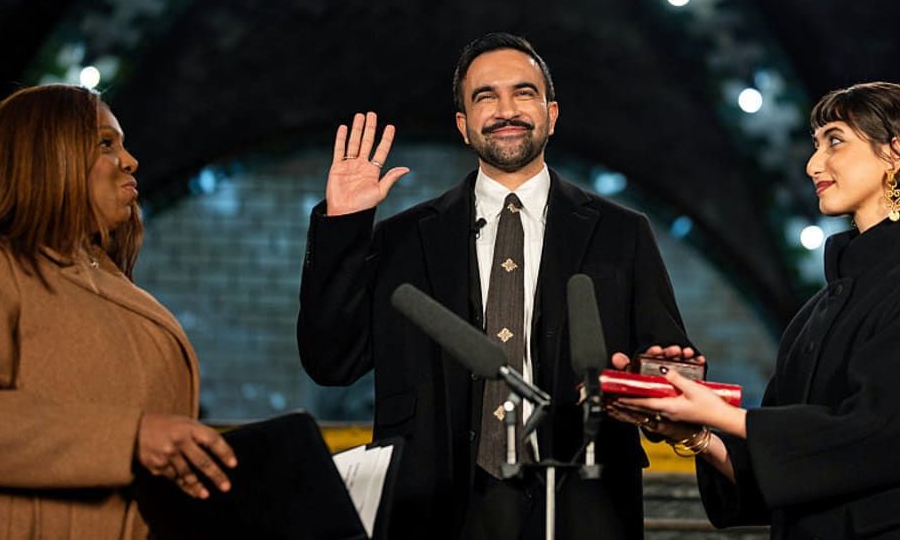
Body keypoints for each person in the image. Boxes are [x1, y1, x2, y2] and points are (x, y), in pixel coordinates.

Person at [297, 32, 698, 539]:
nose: (506, 109)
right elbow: (331, 360)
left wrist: (653, 378)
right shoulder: (402, 240)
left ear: (552, 113)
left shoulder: (623, 233)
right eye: (485, 96)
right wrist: (344, 227)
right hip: (435, 507)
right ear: (464, 126)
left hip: (582, 501)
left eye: (523, 92)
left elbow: (666, 362)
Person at [609, 81, 900, 539]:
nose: (813, 165)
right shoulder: (813, 315)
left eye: (835, 140)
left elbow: (887, 431)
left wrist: (723, 414)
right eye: (815, 145)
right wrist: (696, 431)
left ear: (895, 153)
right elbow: (783, 475)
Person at [0, 84, 237, 539]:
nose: (130, 160)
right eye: (105, 143)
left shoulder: (117, 289)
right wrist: (131, 437)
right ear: (47, 154)